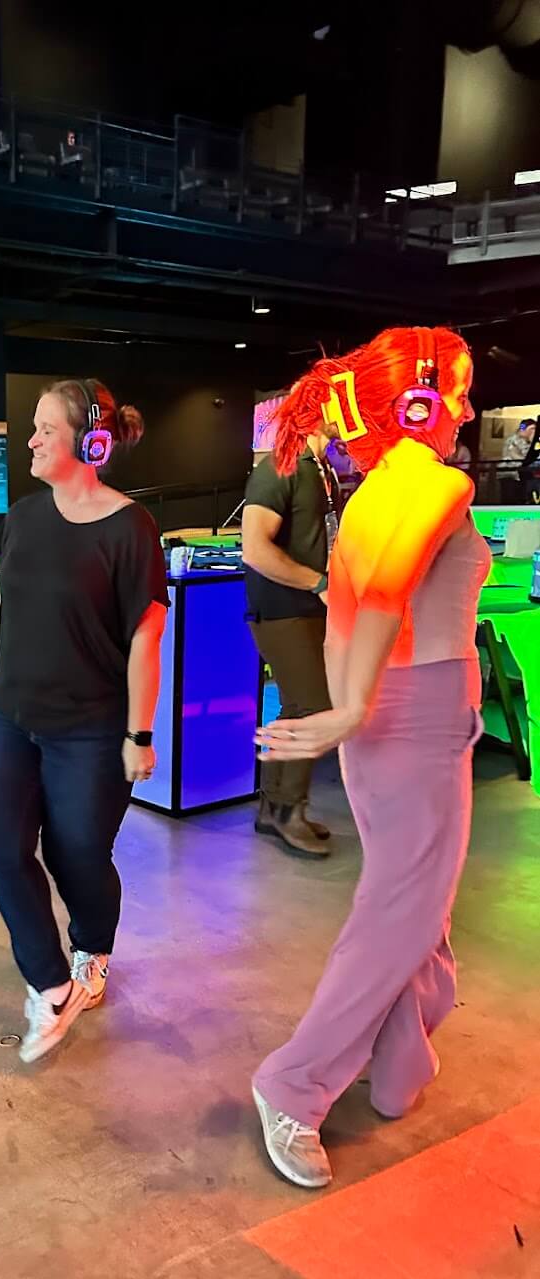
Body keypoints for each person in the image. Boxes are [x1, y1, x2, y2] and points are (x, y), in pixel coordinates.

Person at [252, 324, 485, 1189]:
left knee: (414, 904)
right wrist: (351, 705)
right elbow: (381, 588)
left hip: (406, 714)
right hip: (413, 718)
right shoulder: (429, 480)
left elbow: (359, 606)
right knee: (403, 913)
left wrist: (352, 705)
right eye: (453, 391)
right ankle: (293, 1082)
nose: (463, 410)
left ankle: (396, 1064)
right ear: (416, 399)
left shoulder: (381, 487)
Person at [0, 379, 168, 1064]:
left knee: (76, 851)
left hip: (91, 726)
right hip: (11, 716)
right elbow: (7, 608)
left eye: (44, 429)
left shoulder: (129, 527)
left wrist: (139, 733)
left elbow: (145, 635)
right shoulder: (21, 517)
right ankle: (50, 985)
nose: (30, 440)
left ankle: (92, 947)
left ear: (90, 443)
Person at [241, 413, 337, 857]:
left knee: (300, 706)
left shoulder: (319, 468)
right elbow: (256, 549)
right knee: (314, 707)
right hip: (282, 609)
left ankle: (274, 807)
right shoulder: (279, 467)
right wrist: (318, 583)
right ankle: (286, 811)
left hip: (304, 608)